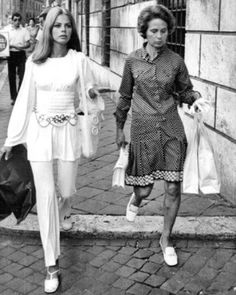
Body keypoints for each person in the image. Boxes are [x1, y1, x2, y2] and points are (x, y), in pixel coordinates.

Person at [0, 7, 99, 293]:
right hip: (39, 133)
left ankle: (64, 208)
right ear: (49, 29)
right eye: (58, 26)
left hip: (68, 130)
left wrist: (91, 95)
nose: (63, 30)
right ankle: (51, 264)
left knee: (66, 190)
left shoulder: (79, 60)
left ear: (72, 30)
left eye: (68, 25)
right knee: (45, 198)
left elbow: (91, 89)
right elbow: (24, 101)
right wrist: (13, 137)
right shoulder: (34, 61)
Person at [115, 4, 205, 267]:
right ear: (144, 31)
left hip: (171, 128)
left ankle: (166, 238)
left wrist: (195, 98)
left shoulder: (176, 61)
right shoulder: (132, 61)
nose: (159, 36)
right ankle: (136, 198)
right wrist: (119, 128)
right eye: (154, 31)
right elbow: (124, 96)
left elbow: (185, 91)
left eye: (164, 31)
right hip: (142, 129)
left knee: (173, 186)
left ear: (169, 31)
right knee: (144, 189)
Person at [5, 13, 30, 105]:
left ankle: (19, 95)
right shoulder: (6, 30)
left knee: (22, 75)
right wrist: (11, 46)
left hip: (21, 54)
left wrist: (23, 46)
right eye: (15, 20)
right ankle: (13, 97)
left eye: (19, 20)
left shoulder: (24, 31)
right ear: (12, 20)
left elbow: (28, 44)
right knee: (11, 77)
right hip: (11, 55)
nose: (17, 22)